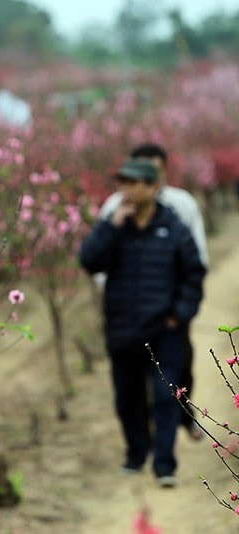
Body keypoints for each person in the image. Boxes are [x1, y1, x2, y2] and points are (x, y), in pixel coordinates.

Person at [79, 158, 206, 488]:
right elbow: (89, 261)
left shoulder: (174, 228)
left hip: (163, 331)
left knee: (166, 397)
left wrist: (179, 314)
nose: (127, 190)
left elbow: (194, 273)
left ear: (153, 187)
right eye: (123, 183)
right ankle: (136, 453)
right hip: (122, 327)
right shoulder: (115, 227)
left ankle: (164, 464)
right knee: (127, 398)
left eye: (134, 183)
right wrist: (110, 226)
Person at [98, 143, 208, 441]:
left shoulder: (181, 204)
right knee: (132, 380)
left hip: (170, 310)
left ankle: (184, 417)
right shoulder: (114, 206)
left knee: (178, 370)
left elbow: (196, 256)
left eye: (153, 171)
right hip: (127, 313)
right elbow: (97, 259)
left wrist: (181, 309)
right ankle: (145, 432)